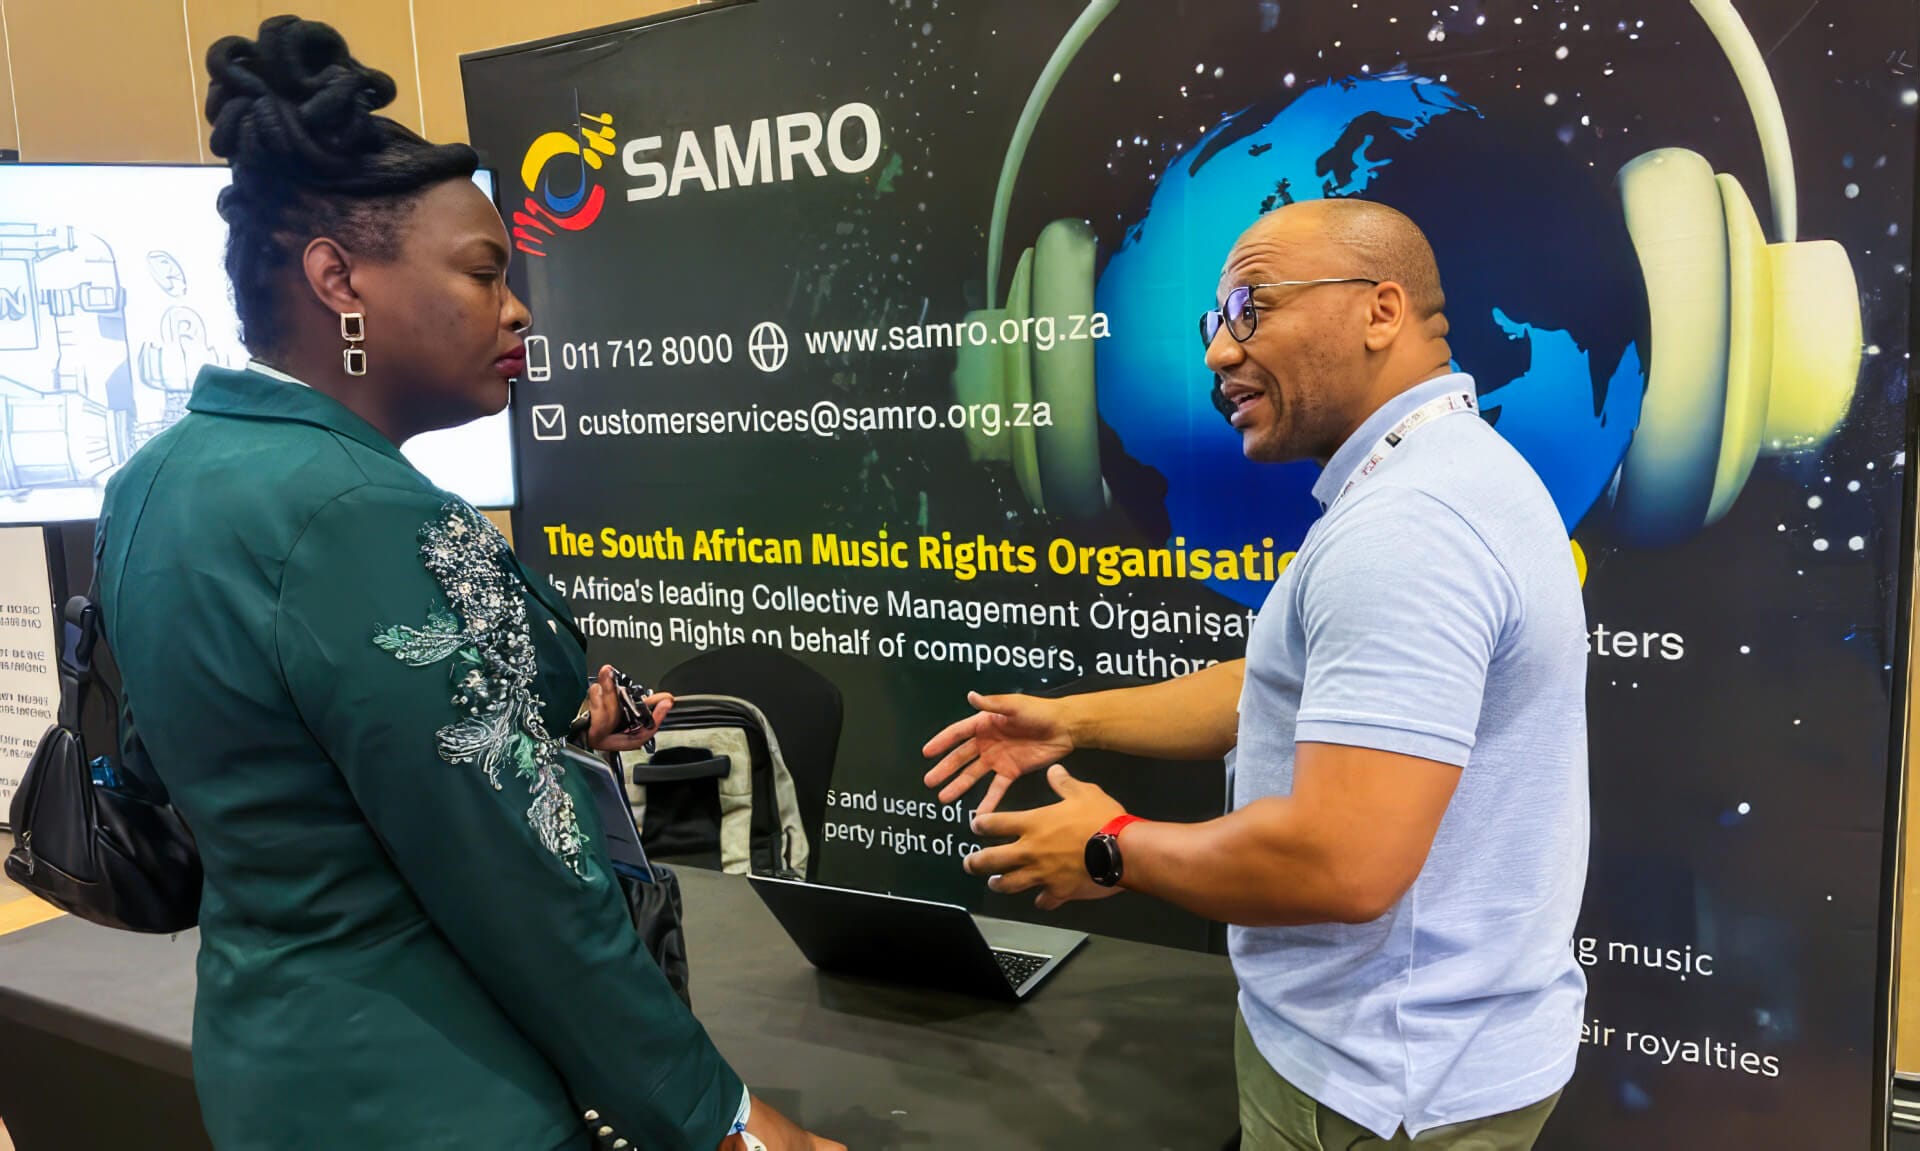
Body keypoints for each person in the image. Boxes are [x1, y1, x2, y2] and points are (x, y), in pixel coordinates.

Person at [94, 17, 839, 1151]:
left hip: (269, 1064)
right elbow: (523, 888)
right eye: (484, 271)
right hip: (441, 1088)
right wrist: (722, 1119)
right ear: (338, 275)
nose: (518, 309)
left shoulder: (156, 477)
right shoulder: (365, 517)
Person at [922, 199, 1589, 1149]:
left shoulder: (1410, 528)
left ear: (1381, 310)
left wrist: (1112, 847)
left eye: (1251, 307)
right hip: (1406, 1057)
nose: (1220, 352)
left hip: (1377, 1086)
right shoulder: (1439, 475)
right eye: (1215, 321)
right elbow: (1285, 686)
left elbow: (1341, 860)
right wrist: (1077, 722)